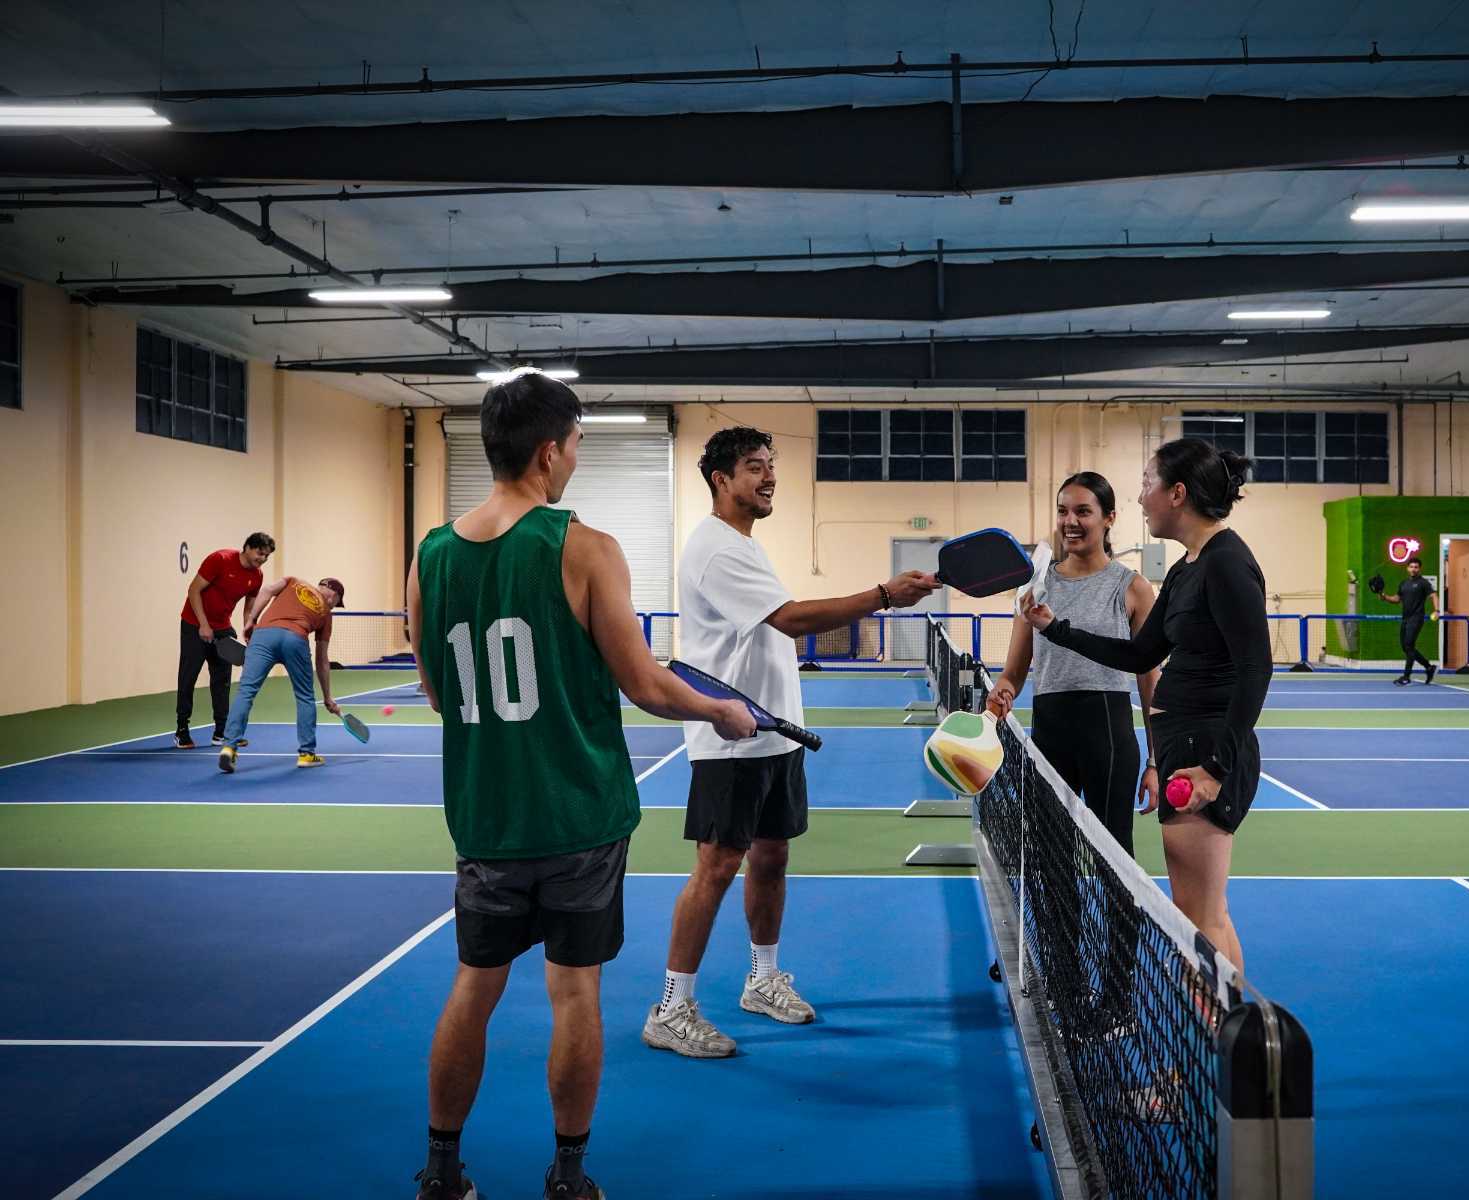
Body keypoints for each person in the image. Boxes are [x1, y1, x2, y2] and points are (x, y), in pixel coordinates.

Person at [406, 373, 757, 1200]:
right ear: (546, 452)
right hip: (580, 818)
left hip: (486, 820)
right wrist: (720, 710)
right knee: (574, 993)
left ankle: (442, 1173)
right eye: (575, 446)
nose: (575, 460)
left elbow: (437, 692)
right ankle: (568, 1178)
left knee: (474, 987)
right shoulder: (584, 546)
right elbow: (645, 684)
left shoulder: (431, 555)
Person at [643, 426, 939, 1059]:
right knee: (716, 866)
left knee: (771, 856)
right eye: (755, 467)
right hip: (731, 738)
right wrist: (884, 596)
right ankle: (670, 1008)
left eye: (770, 465)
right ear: (722, 479)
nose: (769, 476)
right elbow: (791, 619)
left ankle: (762, 978)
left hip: (774, 735)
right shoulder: (716, 549)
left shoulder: (743, 545)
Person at [1023, 438, 1271, 976]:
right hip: (1186, 745)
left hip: (1204, 753)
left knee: (1198, 920)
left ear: (1176, 493)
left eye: (1146, 484)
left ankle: (1213, 1034)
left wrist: (1214, 768)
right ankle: (1228, 1030)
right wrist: (1055, 629)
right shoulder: (1187, 568)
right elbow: (1139, 654)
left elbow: (1256, 670)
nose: (1140, 497)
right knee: (1206, 915)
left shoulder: (1227, 564)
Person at [988, 471, 1161, 855]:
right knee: (1050, 858)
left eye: (1083, 511)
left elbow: (1150, 679)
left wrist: (1155, 760)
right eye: (1063, 511)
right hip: (1050, 734)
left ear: (1109, 518)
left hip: (1109, 737)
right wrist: (1003, 690)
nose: (1070, 521)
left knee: (1114, 861)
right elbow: (1013, 673)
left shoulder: (1132, 588)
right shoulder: (1033, 586)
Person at [216, 574, 345, 772]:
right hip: (296, 638)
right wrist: (327, 697)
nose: (334, 606)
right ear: (334, 596)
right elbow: (322, 660)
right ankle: (307, 754)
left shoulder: (294, 581)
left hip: (263, 635)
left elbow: (267, 590)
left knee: (246, 691)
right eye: (337, 603)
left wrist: (251, 620)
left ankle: (229, 747)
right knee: (305, 697)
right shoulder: (326, 613)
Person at [175, 532, 274, 748]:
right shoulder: (220, 559)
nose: (263, 559)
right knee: (188, 678)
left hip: (222, 628)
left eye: (266, 556)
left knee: (222, 682)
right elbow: (193, 590)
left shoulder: (257, 575)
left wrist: (249, 631)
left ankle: (221, 732)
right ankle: (182, 730)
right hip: (193, 624)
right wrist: (203, 624)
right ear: (247, 547)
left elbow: (249, 608)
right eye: (260, 553)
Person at [1379, 557, 1438, 686]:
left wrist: (1437, 610)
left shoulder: (1423, 583)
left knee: (1409, 645)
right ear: (1407, 568)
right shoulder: (1404, 583)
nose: (1413, 569)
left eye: (1416, 567)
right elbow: (1397, 599)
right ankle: (1429, 667)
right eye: (1411, 567)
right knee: (1406, 647)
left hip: (1416, 618)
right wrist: (1385, 597)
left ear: (1419, 569)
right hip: (1405, 618)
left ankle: (1406, 677)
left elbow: (1434, 595)